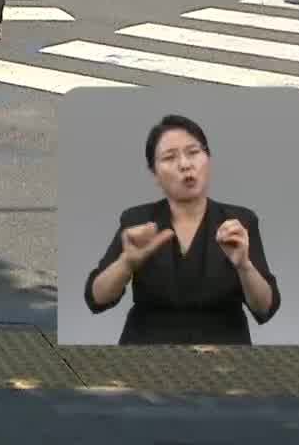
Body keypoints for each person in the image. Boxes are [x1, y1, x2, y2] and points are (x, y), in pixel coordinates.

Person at [83, 114, 278, 345]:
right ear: (155, 175)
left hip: (224, 357)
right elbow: (96, 298)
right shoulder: (138, 220)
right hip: (147, 356)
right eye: (169, 157)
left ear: (208, 159)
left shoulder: (238, 222)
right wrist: (126, 263)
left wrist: (244, 265)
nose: (185, 164)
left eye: (194, 152)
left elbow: (265, 308)